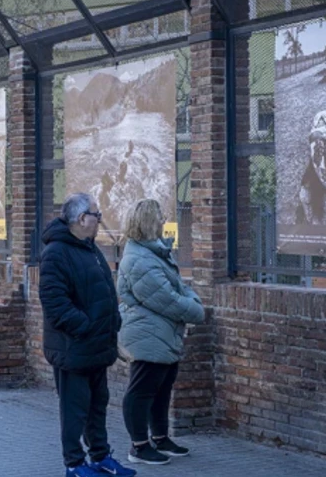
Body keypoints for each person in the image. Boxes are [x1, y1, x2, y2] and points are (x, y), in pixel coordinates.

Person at [39, 193, 136, 477]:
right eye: (97, 215)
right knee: (75, 411)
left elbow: (103, 289)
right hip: (74, 348)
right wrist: (85, 327)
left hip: (96, 347)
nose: (99, 220)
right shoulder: (56, 253)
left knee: (97, 407)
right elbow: (55, 303)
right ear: (82, 219)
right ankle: (74, 464)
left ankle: (101, 457)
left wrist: (112, 322)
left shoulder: (89, 249)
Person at [116, 199, 204, 466]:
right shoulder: (139, 260)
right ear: (147, 222)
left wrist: (191, 299)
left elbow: (179, 287)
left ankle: (161, 438)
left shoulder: (153, 253)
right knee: (142, 390)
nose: (164, 221)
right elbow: (167, 299)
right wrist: (196, 310)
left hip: (161, 333)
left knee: (162, 389)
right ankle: (139, 446)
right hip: (147, 336)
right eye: (160, 217)